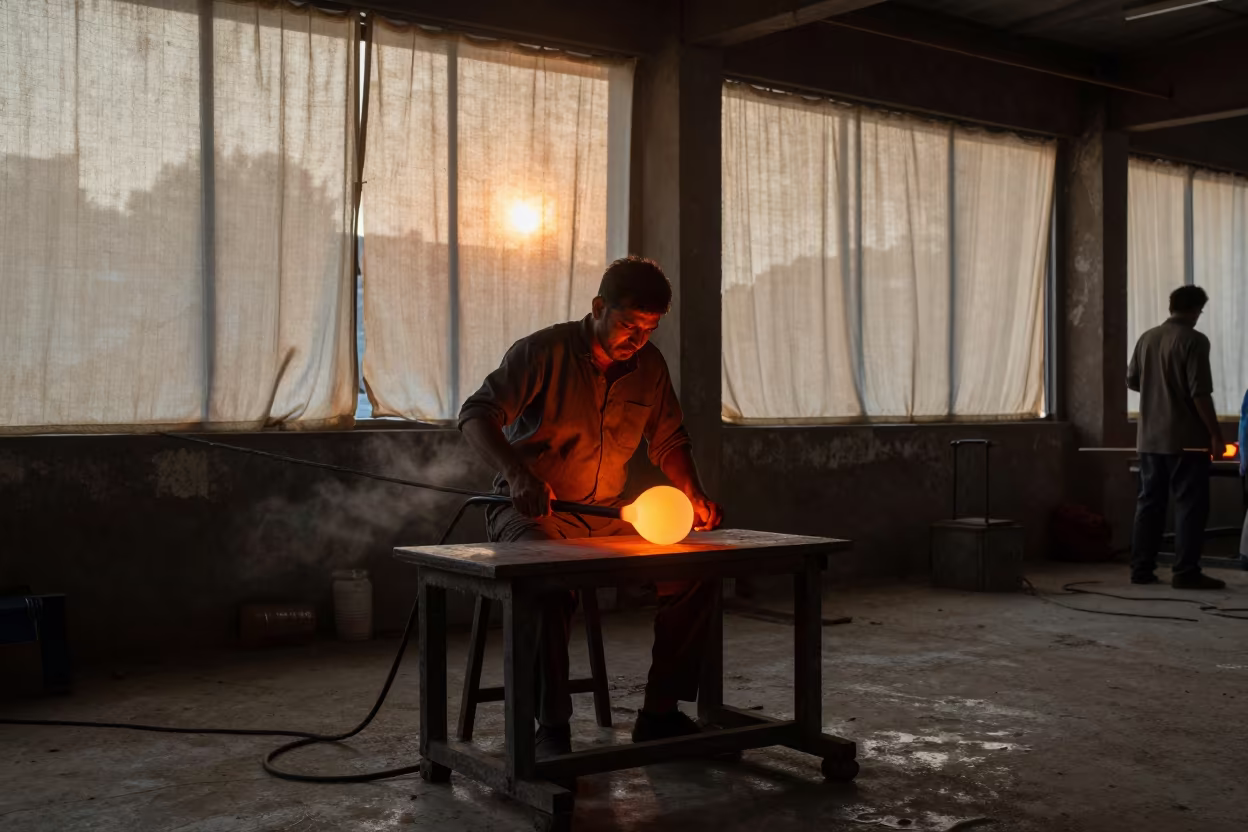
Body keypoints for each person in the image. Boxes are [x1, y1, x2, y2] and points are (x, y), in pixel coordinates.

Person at [458, 256, 724, 763]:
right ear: (599, 307)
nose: (638, 339)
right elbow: (476, 415)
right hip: (534, 514)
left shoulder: (649, 367)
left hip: (608, 516)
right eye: (628, 325)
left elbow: (669, 439)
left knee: (695, 571)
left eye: (649, 329)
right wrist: (518, 475)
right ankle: (552, 727)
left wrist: (693, 492)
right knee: (546, 579)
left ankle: (660, 714)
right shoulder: (541, 352)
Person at [1127, 285, 1225, 589]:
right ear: (1196, 310)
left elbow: (1133, 380)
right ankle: (1185, 572)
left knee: (1149, 503)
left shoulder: (1147, 338)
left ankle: (1141, 570)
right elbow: (1200, 393)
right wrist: (1215, 434)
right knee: (1190, 504)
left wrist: (1161, 389)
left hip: (1150, 439)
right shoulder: (1195, 341)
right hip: (1186, 440)